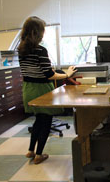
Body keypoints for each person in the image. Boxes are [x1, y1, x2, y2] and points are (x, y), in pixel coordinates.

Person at [18, 16, 77, 164]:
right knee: (46, 121)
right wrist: (67, 74)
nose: (43, 34)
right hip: (41, 89)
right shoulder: (40, 50)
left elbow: (33, 70)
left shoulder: (21, 50)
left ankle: (31, 150)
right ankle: (39, 155)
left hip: (28, 89)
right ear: (36, 33)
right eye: (42, 31)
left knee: (38, 120)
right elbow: (49, 74)